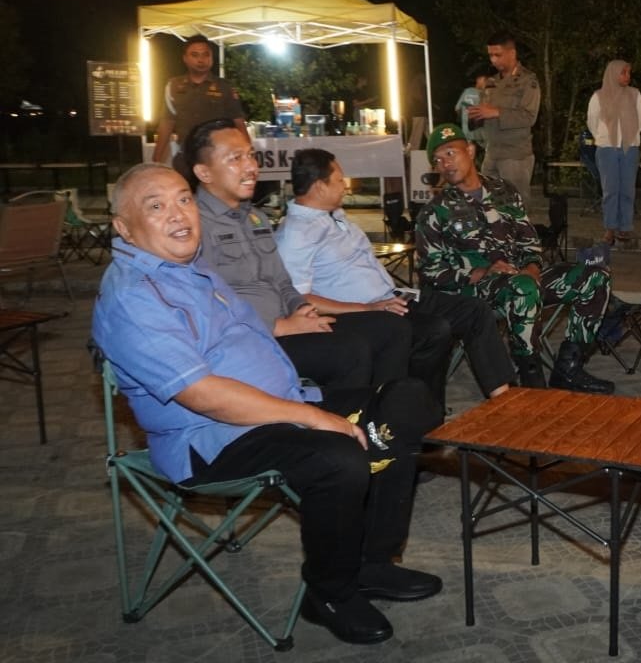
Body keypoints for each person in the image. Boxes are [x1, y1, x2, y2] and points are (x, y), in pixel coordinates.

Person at [93, 163, 443, 645]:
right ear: (124, 227)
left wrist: (308, 400)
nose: (178, 214)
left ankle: (371, 562)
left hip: (280, 404)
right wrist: (315, 418)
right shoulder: (134, 298)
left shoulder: (194, 269)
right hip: (212, 439)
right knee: (338, 458)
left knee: (405, 402)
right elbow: (202, 395)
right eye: (156, 206)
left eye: (183, 200)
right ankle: (330, 593)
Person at [186, 118, 436, 391]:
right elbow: (207, 301)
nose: (251, 166)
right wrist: (280, 326)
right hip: (250, 337)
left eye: (251, 155)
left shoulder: (256, 218)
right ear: (204, 172)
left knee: (392, 329)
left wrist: (302, 310)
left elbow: (283, 282)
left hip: (291, 322)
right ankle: (346, 416)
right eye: (236, 158)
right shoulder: (193, 226)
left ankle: (387, 411)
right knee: (351, 351)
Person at [274, 148, 515, 410]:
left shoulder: (334, 217)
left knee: (473, 310)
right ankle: (417, 411)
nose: (345, 186)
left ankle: (503, 402)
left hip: (392, 297)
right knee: (433, 331)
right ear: (320, 186)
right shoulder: (296, 234)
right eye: (339, 180)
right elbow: (299, 299)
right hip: (361, 313)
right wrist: (367, 308)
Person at [417, 123, 614, 394]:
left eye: (450, 153)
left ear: (471, 151)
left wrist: (532, 267)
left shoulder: (504, 191)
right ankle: (531, 381)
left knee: (594, 277)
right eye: (438, 160)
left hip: (521, 278)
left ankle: (568, 369)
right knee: (523, 289)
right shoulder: (434, 213)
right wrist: (481, 272)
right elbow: (430, 272)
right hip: (476, 292)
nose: (445, 164)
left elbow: (528, 239)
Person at [151, 35, 247, 174]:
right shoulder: (173, 86)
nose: (201, 60)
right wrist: (156, 161)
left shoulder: (224, 87)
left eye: (206, 55)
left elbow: (239, 124)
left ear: (211, 58)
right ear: (185, 58)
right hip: (185, 158)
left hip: (218, 158)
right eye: (195, 55)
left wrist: (247, 156)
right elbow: (166, 124)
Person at [467, 32, 541, 201]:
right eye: (490, 55)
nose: (493, 60)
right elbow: (484, 114)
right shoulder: (491, 82)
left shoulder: (527, 81)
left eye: (498, 55)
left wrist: (497, 112)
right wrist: (475, 115)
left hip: (515, 155)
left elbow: (529, 117)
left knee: (515, 205)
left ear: (512, 53)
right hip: (491, 153)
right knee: (487, 203)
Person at [587, 59, 641, 245]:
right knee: (610, 190)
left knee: (627, 189)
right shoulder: (598, 96)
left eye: (629, 72)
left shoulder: (635, 95)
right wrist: (605, 138)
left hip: (630, 147)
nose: (627, 76)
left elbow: (640, 120)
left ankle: (625, 227)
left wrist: (630, 137)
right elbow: (592, 122)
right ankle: (610, 228)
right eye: (623, 72)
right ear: (612, 73)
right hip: (607, 148)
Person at [454, 74, 491, 147]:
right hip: (474, 131)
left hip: (476, 131)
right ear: (478, 80)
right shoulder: (470, 91)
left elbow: (457, 108)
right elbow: (457, 108)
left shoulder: (485, 93)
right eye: (484, 80)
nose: (486, 82)